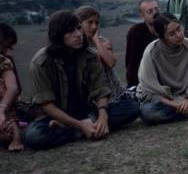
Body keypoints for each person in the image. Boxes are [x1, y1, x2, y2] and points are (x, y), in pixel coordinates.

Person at [24, 11, 141, 150]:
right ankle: (81, 129)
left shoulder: (90, 55)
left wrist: (103, 117)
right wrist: (80, 126)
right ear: (58, 35)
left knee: (131, 108)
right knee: (34, 136)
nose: (78, 34)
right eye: (70, 31)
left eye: (79, 28)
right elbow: (47, 105)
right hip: (56, 116)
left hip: (85, 111)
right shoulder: (41, 63)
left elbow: (100, 91)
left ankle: (80, 128)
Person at [75, 6, 130, 101]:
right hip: (93, 94)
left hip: (114, 90)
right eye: (90, 22)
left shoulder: (103, 41)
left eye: (96, 23)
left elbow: (111, 62)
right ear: (79, 24)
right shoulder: (76, 45)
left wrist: (96, 39)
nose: (94, 26)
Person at [125, 0, 159, 87]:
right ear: (142, 15)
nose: (155, 13)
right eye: (150, 11)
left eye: (157, 9)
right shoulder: (136, 32)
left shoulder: (166, 30)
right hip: (143, 83)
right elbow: (132, 63)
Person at [0, 23, 23, 152]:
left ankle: (15, 134)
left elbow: (13, 88)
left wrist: (1, 108)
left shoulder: (3, 61)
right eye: (5, 46)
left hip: (5, 106)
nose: (6, 50)